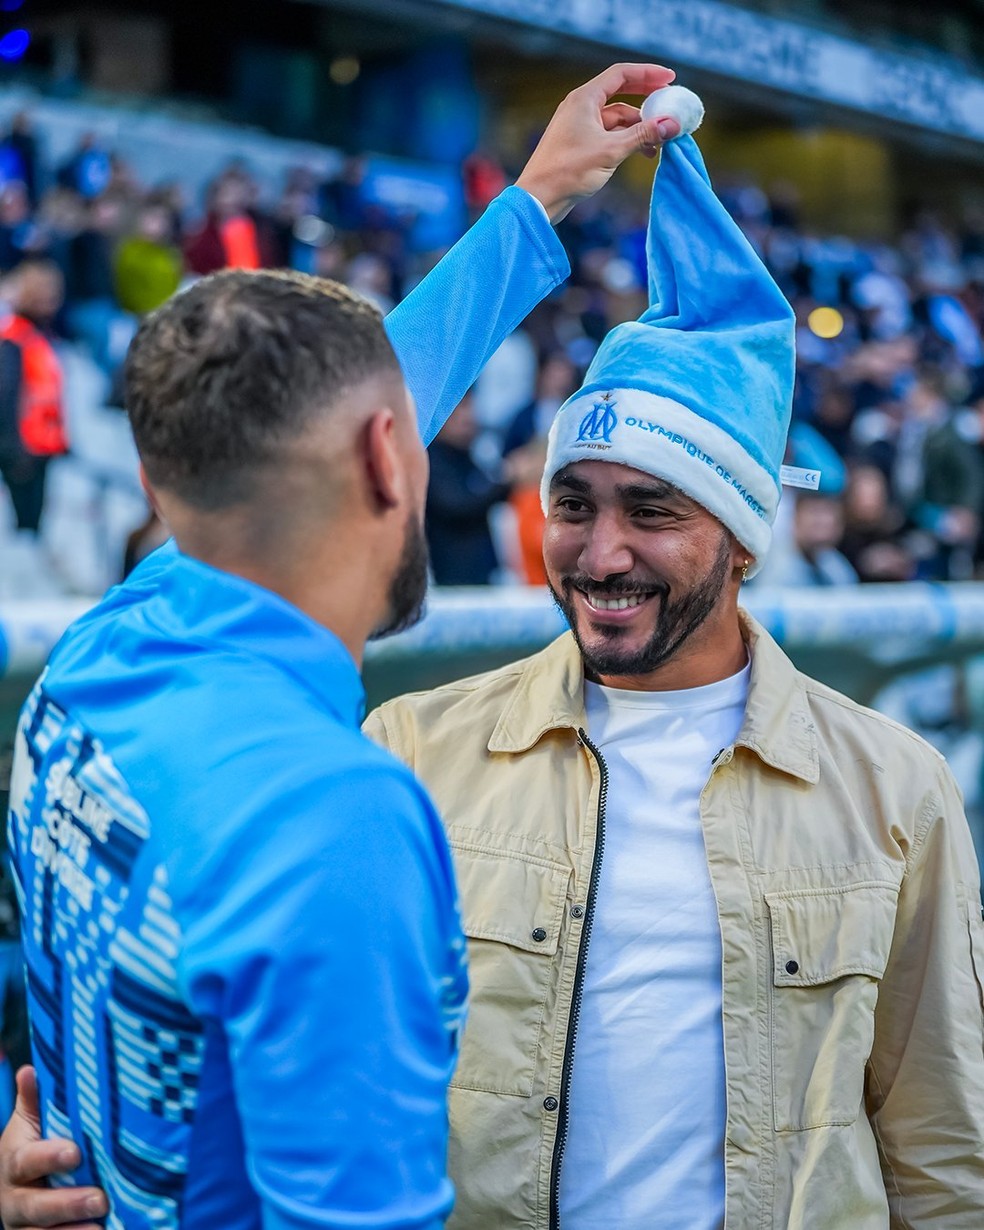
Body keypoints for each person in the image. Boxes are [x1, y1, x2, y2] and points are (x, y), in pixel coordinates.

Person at [0, 62, 681, 1229]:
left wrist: (539, 198)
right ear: (385, 456)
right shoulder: (330, 816)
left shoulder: (100, 648)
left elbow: (385, 377)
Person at [0, 260, 68, 535]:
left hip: (42, 447)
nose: (50, 302)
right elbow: (6, 397)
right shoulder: (13, 338)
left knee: (36, 524)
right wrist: (13, 451)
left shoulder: (39, 335)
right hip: (22, 451)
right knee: (24, 528)